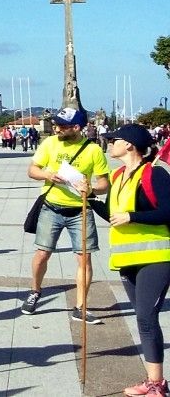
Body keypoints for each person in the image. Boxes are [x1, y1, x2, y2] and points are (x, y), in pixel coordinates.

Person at [91, 124, 170, 396]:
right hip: (127, 259)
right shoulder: (118, 175)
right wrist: (89, 198)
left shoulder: (155, 174)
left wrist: (133, 217)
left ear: (130, 145)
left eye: (114, 140)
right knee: (142, 318)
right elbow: (114, 214)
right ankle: (153, 381)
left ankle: (157, 385)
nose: (109, 143)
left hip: (156, 257)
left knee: (147, 316)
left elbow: (168, 211)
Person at [22, 107, 110, 322]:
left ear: (76, 128)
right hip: (51, 206)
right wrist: (48, 174)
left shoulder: (93, 150)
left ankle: (81, 306)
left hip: (80, 210)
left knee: (84, 258)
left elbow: (105, 184)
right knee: (42, 253)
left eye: (61, 126)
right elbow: (32, 170)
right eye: (56, 124)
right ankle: (35, 290)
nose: (57, 128)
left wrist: (90, 189)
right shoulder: (50, 143)